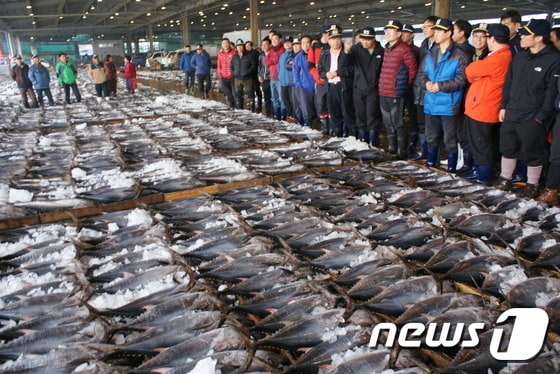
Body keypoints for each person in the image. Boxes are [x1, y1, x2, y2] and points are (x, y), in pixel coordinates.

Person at [497, 19, 560, 199]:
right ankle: (505, 178)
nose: (521, 37)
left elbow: (551, 91)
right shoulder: (520, 56)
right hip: (512, 110)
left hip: (532, 115)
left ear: (539, 37)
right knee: (507, 147)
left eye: (526, 34)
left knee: (533, 151)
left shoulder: (554, 59)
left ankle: (532, 184)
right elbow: (509, 83)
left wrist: (541, 116)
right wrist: (504, 106)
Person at [417, 18, 470, 173]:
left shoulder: (460, 55)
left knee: (450, 139)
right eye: (436, 30)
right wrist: (425, 83)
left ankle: (451, 169)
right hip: (430, 102)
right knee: (431, 136)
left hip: (449, 104)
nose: (436, 33)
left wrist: (440, 86)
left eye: (440, 30)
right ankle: (431, 163)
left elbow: (461, 80)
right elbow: (421, 74)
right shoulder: (430, 53)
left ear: (448, 33)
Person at [463, 24, 512, 185]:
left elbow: (470, 71)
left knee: (481, 145)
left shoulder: (499, 58)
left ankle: (483, 178)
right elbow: (473, 74)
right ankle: (477, 171)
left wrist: (478, 74)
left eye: (487, 37)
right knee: (478, 143)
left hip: (484, 108)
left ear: (492, 39)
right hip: (479, 106)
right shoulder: (499, 56)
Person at [379, 20, 418, 158]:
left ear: (399, 33)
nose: (388, 33)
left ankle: (402, 151)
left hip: (396, 92)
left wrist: (402, 86)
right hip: (383, 91)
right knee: (387, 121)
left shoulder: (404, 50)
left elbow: (412, 71)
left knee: (398, 122)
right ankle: (391, 147)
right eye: (386, 30)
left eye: (391, 30)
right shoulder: (387, 49)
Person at [411, 15, 439, 161]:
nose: (424, 29)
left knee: (433, 126)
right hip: (420, 89)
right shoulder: (424, 44)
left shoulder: (440, 47)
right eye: (423, 27)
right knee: (421, 122)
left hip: (434, 91)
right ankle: (423, 151)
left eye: (427, 27)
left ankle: (432, 155)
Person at [349, 26, 383, 144]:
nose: (365, 42)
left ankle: (373, 142)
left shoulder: (381, 51)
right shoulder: (355, 50)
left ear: (373, 39)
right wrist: (345, 52)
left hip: (374, 89)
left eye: (368, 39)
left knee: (372, 116)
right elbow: (344, 65)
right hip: (358, 88)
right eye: (363, 39)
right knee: (360, 115)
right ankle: (363, 141)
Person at [318, 25, 352, 137]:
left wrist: (337, 73)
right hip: (330, 86)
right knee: (334, 112)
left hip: (343, 86)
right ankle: (337, 135)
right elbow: (320, 69)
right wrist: (325, 74)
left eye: (338, 39)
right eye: (333, 39)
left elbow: (351, 69)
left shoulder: (347, 52)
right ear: (328, 40)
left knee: (346, 112)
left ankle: (348, 136)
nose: (336, 42)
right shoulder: (325, 54)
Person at [402, 23, 421, 155]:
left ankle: (413, 144)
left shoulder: (417, 51)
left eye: (406, 33)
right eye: (401, 32)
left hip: (412, 88)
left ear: (412, 35)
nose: (402, 35)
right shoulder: (394, 49)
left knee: (414, 118)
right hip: (398, 89)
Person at [309, 25, 331, 133]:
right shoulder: (314, 47)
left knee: (332, 104)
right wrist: (318, 77)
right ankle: (324, 128)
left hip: (332, 81)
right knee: (322, 103)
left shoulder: (333, 46)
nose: (328, 36)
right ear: (322, 34)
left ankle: (333, 128)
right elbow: (310, 65)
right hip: (320, 81)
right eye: (326, 33)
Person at [292, 35, 316, 127]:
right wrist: (299, 84)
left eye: (307, 42)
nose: (305, 45)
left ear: (311, 43)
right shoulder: (298, 57)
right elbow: (295, 71)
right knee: (306, 109)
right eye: (303, 43)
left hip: (316, 85)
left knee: (318, 108)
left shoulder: (315, 54)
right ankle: (308, 127)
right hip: (304, 86)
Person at [231, 39, 256, 110]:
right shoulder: (234, 57)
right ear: (236, 47)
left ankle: (252, 109)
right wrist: (234, 73)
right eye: (238, 46)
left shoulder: (249, 55)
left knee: (250, 94)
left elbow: (253, 65)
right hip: (237, 79)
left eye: (241, 46)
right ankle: (240, 109)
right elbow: (231, 66)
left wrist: (248, 72)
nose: (240, 47)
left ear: (243, 46)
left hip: (247, 79)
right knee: (238, 95)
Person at [266, 32, 286, 120]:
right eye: (272, 40)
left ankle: (283, 115)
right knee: (274, 97)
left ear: (280, 40)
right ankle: (276, 115)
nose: (273, 41)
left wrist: (273, 60)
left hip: (280, 77)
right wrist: (274, 61)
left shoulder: (283, 49)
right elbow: (267, 61)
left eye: (275, 39)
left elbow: (279, 60)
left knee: (281, 98)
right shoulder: (271, 50)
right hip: (272, 77)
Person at [278, 36, 297, 123]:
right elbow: (280, 67)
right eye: (285, 43)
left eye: (289, 42)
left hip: (291, 82)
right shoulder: (282, 55)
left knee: (292, 101)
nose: (287, 44)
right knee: (285, 100)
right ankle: (289, 115)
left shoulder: (294, 54)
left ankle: (293, 116)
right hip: (283, 82)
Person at [217, 38, 236, 108]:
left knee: (235, 93)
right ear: (222, 45)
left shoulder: (234, 52)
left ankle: (237, 106)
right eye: (223, 43)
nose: (225, 45)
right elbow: (219, 64)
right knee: (228, 93)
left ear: (229, 44)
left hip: (233, 76)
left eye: (226, 43)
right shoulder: (220, 54)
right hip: (224, 77)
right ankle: (231, 106)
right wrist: (220, 74)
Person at [258, 38, 273, 117]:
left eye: (265, 44)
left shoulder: (273, 54)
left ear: (270, 45)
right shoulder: (261, 55)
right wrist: (259, 75)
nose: (263, 46)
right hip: (265, 79)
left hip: (273, 79)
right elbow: (260, 67)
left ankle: (274, 113)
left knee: (273, 97)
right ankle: (268, 113)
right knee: (267, 97)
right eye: (262, 45)